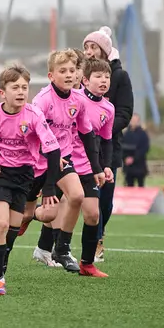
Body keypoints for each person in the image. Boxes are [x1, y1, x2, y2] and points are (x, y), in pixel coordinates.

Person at [0, 65, 61, 295]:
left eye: (24, 87)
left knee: (13, 229)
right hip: (0, 175)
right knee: (2, 224)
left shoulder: (34, 115)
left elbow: (53, 150)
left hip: (24, 176)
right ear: (3, 92)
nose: (21, 92)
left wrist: (49, 187)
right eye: (15, 87)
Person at [28, 50, 105, 272]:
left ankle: (61, 249)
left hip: (63, 159)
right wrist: (51, 154)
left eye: (72, 70)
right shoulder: (42, 100)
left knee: (77, 196)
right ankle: (16, 218)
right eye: (63, 71)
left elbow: (87, 136)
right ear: (51, 75)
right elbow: (32, 134)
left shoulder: (78, 99)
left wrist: (97, 168)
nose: (69, 75)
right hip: (40, 158)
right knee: (41, 214)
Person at [83, 26, 133, 263]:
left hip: (109, 146)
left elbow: (125, 112)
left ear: (104, 50)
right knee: (80, 197)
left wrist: (103, 128)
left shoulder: (120, 77)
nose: (89, 52)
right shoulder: (80, 78)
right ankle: (87, 243)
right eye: (86, 47)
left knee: (106, 200)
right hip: (81, 147)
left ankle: (99, 235)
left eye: (93, 47)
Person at [61, 57, 115, 277]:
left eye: (107, 76)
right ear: (84, 80)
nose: (104, 80)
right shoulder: (75, 99)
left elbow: (106, 140)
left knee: (93, 215)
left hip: (87, 166)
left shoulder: (108, 108)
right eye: (98, 76)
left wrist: (106, 166)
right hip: (64, 162)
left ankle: (87, 264)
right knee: (46, 213)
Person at [121, 113, 149, 187]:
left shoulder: (143, 134)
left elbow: (145, 148)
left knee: (141, 186)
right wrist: (125, 158)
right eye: (132, 120)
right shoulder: (125, 134)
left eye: (135, 120)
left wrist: (134, 158)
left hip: (139, 166)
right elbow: (121, 147)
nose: (133, 122)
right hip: (128, 167)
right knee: (129, 186)